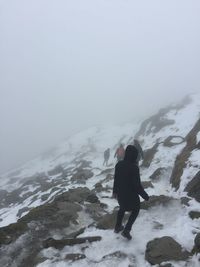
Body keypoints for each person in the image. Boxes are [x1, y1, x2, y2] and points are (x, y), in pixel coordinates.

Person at [112, 145, 149, 240]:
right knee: (136, 209)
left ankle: (117, 227)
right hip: (131, 195)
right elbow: (137, 185)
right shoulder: (134, 167)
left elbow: (116, 179)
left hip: (120, 194)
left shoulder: (119, 164)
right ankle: (126, 230)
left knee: (122, 208)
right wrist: (145, 196)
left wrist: (114, 192)